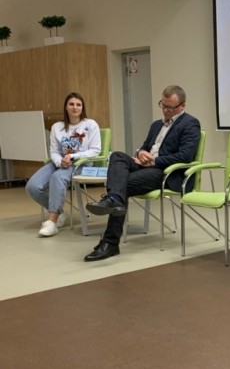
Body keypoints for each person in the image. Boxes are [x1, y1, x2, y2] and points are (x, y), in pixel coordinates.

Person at [83, 85, 201, 261]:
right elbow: (145, 147)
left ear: (182, 106)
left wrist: (153, 160)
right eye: (163, 105)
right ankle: (114, 200)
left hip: (166, 172)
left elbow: (185, 156)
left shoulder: (190, 123)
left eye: (170, 107)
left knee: (121, 184)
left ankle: (110, 242)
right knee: (117, 156)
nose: (165, 110)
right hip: (146, 166)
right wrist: (141, 153)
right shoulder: (156, 125)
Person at [26, 92, 101, 237]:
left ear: (82, 107)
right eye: (71, 104)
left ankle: (52, 221)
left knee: (57, 177)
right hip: (59, 162)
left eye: (78, 104)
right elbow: (54, 151)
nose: (75, 107)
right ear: (66, 107)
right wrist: (59, 161)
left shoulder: (90, 125)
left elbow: (95, 150)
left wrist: (71, 157)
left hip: (80, 164)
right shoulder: (57, 127)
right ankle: (59, 211)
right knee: (32, 186)